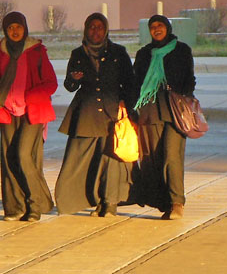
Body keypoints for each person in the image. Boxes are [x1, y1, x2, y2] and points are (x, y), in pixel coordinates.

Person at [55, 12, 138, 217]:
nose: (96, 31)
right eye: (92, 27)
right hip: (87, 115)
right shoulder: (78, 54)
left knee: (112, 160)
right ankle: (87, 199)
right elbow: (69, 86)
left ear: (106, 30)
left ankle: (109, 203)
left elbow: (130, 83)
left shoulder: (118, 53)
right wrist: (74, 79)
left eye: (100, 27)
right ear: (86, 29)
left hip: (113, 115)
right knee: (82, 160)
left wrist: (127, 105)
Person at [0, 12, 57, 222]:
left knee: (24, 155)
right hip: (6, 111)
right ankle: (15, 207)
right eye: (11, 28)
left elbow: (51, 83)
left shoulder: (37, 51)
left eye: (19, 27)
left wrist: (29, 96)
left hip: (32, 112)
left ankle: (35, 205)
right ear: (5, 30)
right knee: (9, 159)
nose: (15, 32)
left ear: (25, 28)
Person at [133, 15, 195, 220]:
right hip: (150, 111)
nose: (156, 29)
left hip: (175, 111)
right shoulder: (144, 54)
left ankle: (177, 202)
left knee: (172, 156)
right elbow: (135, 83)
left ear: (168, 27)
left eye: (160, 25)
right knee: (154, 158)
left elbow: (190, 79)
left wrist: (181, 95)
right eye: (153, 27)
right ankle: (164, 202)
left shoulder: (181, 50)